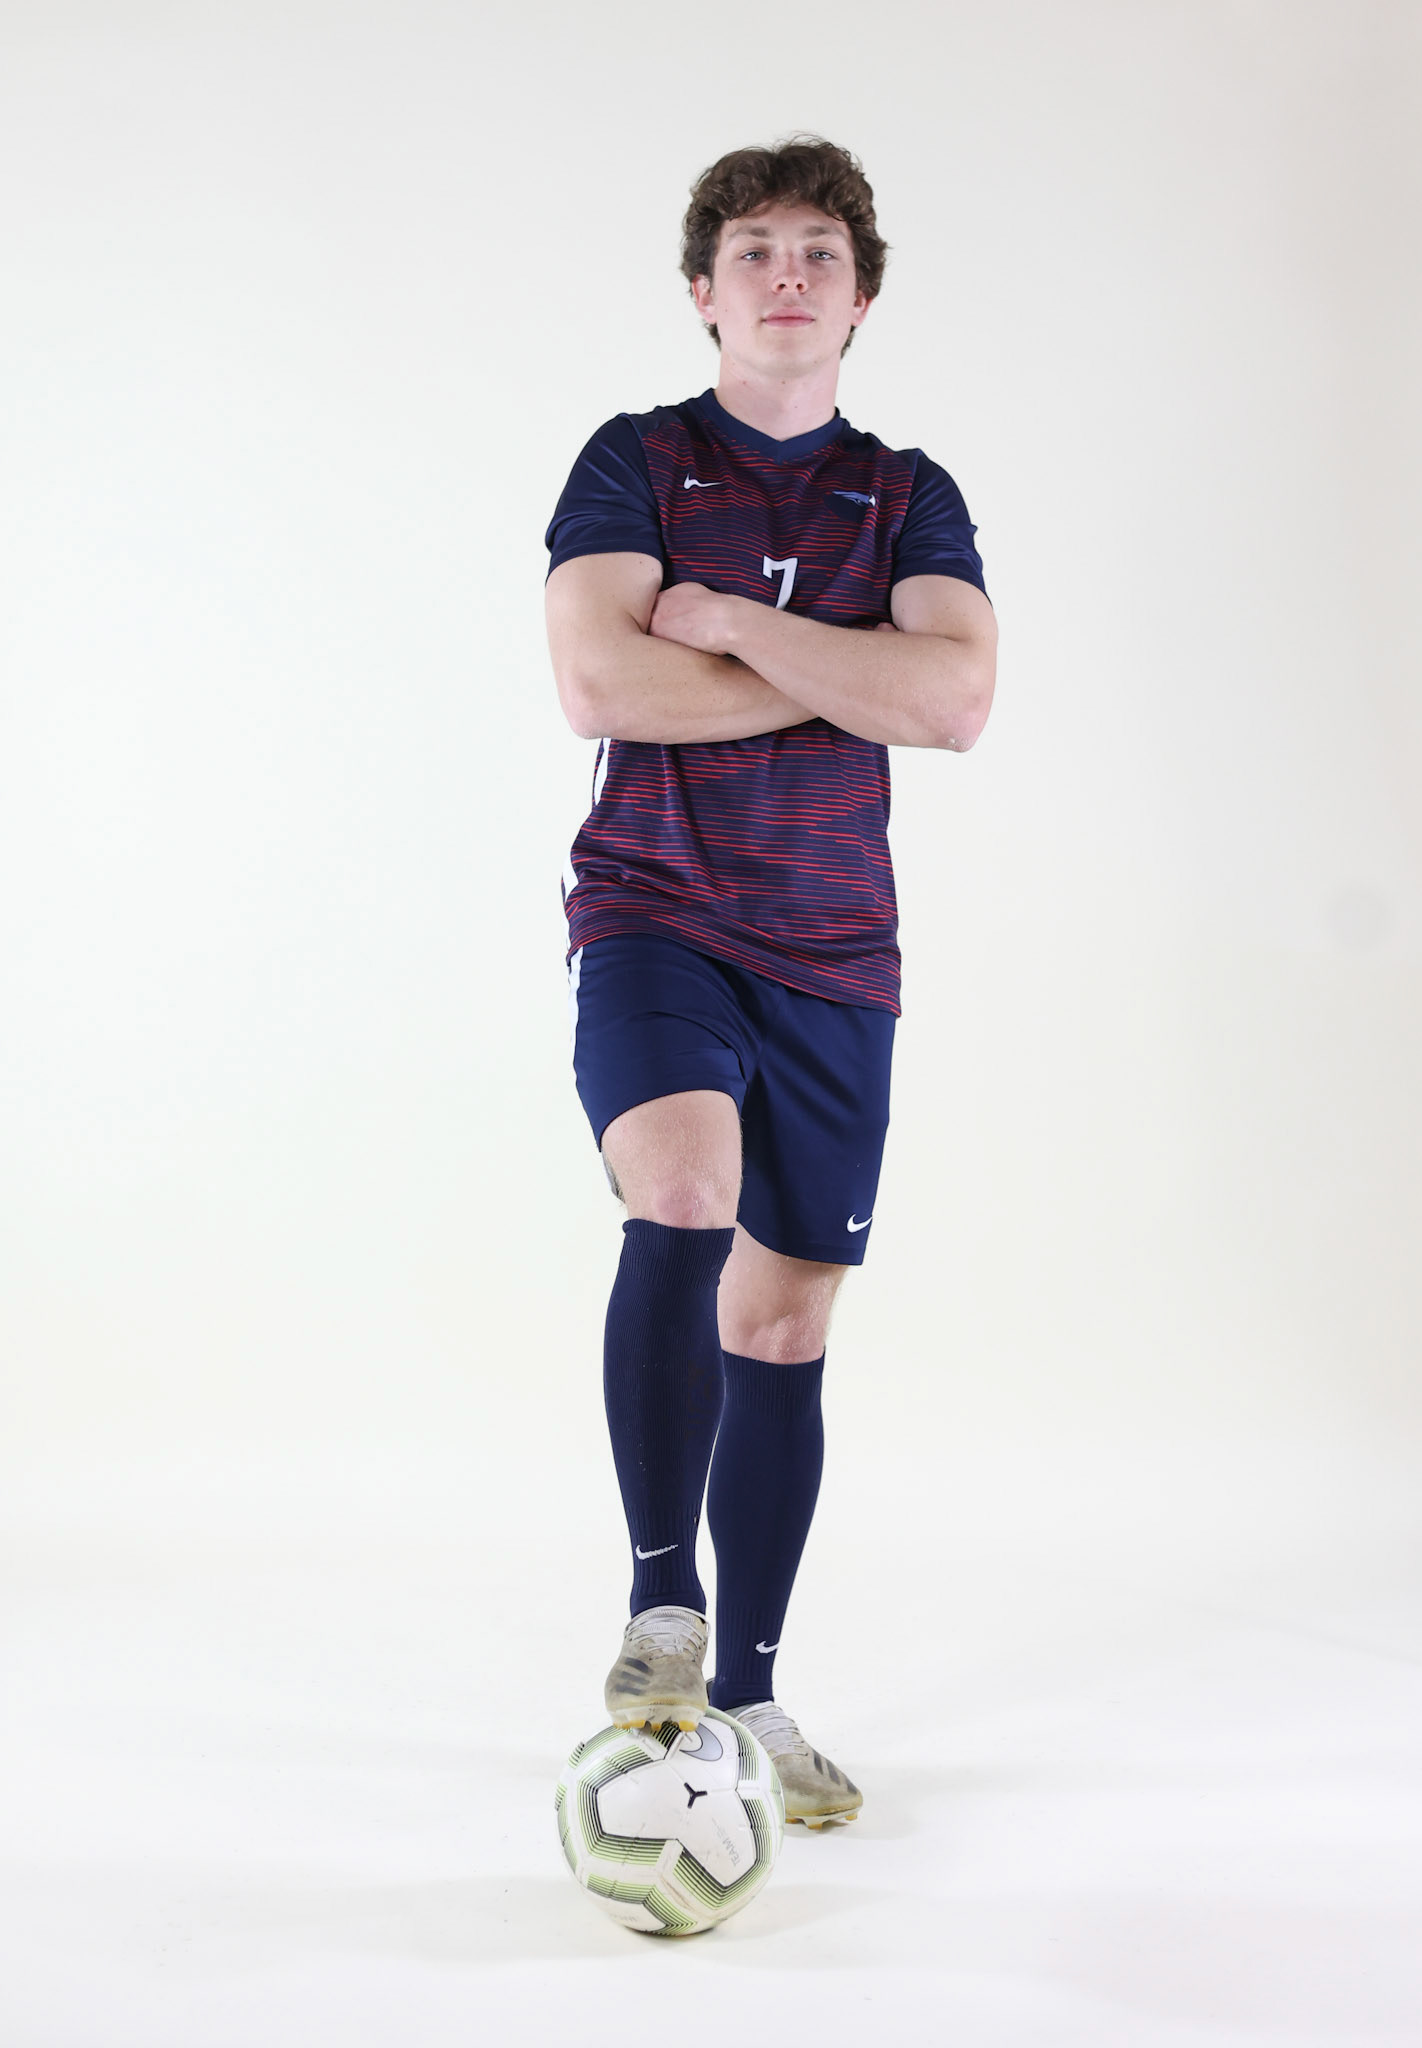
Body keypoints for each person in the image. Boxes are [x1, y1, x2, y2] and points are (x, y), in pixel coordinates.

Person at [543, 136, 996, 1828]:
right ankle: (666, 1602)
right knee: (676, 1187)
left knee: (784, 1320)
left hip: (833, 947)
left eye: (818, 250)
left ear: (859, 299)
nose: (786, 272)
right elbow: (598, 685)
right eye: (752, 249)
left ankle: (753, 1691)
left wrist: (725, 627)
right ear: (703, 291)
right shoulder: (637, 461)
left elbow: (953, 705)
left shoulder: (909, 493)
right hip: (656, 903)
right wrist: (845, 674)